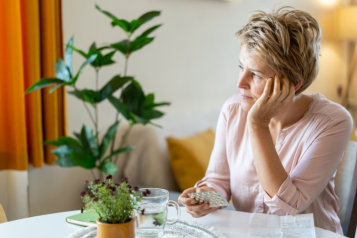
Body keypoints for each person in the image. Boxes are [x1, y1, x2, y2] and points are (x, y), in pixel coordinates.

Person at [178, 6, 352, 234]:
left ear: (292, 83)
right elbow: (219, 181)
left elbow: (288, 208)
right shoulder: (232, 110)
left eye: (256, 74)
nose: (240, 82)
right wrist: (205, 198)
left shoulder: (332, 121)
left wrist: (257, 125)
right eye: (242, 67)